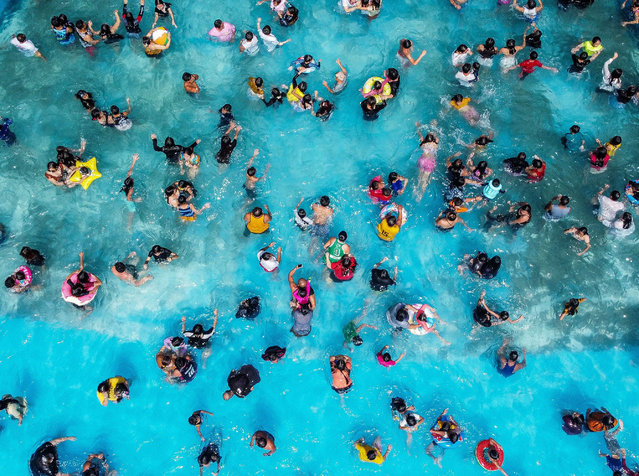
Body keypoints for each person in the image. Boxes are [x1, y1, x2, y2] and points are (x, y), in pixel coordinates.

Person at [288, 265, 316, 336]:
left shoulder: (294, 288)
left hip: (296, 305)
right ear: (306, 284)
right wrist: (309, 309)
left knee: (292, 304)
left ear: (298, 285)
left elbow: (290, 276)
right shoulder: (309, 291)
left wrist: (295, 268)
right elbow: (314, 305)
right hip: (306, 307)